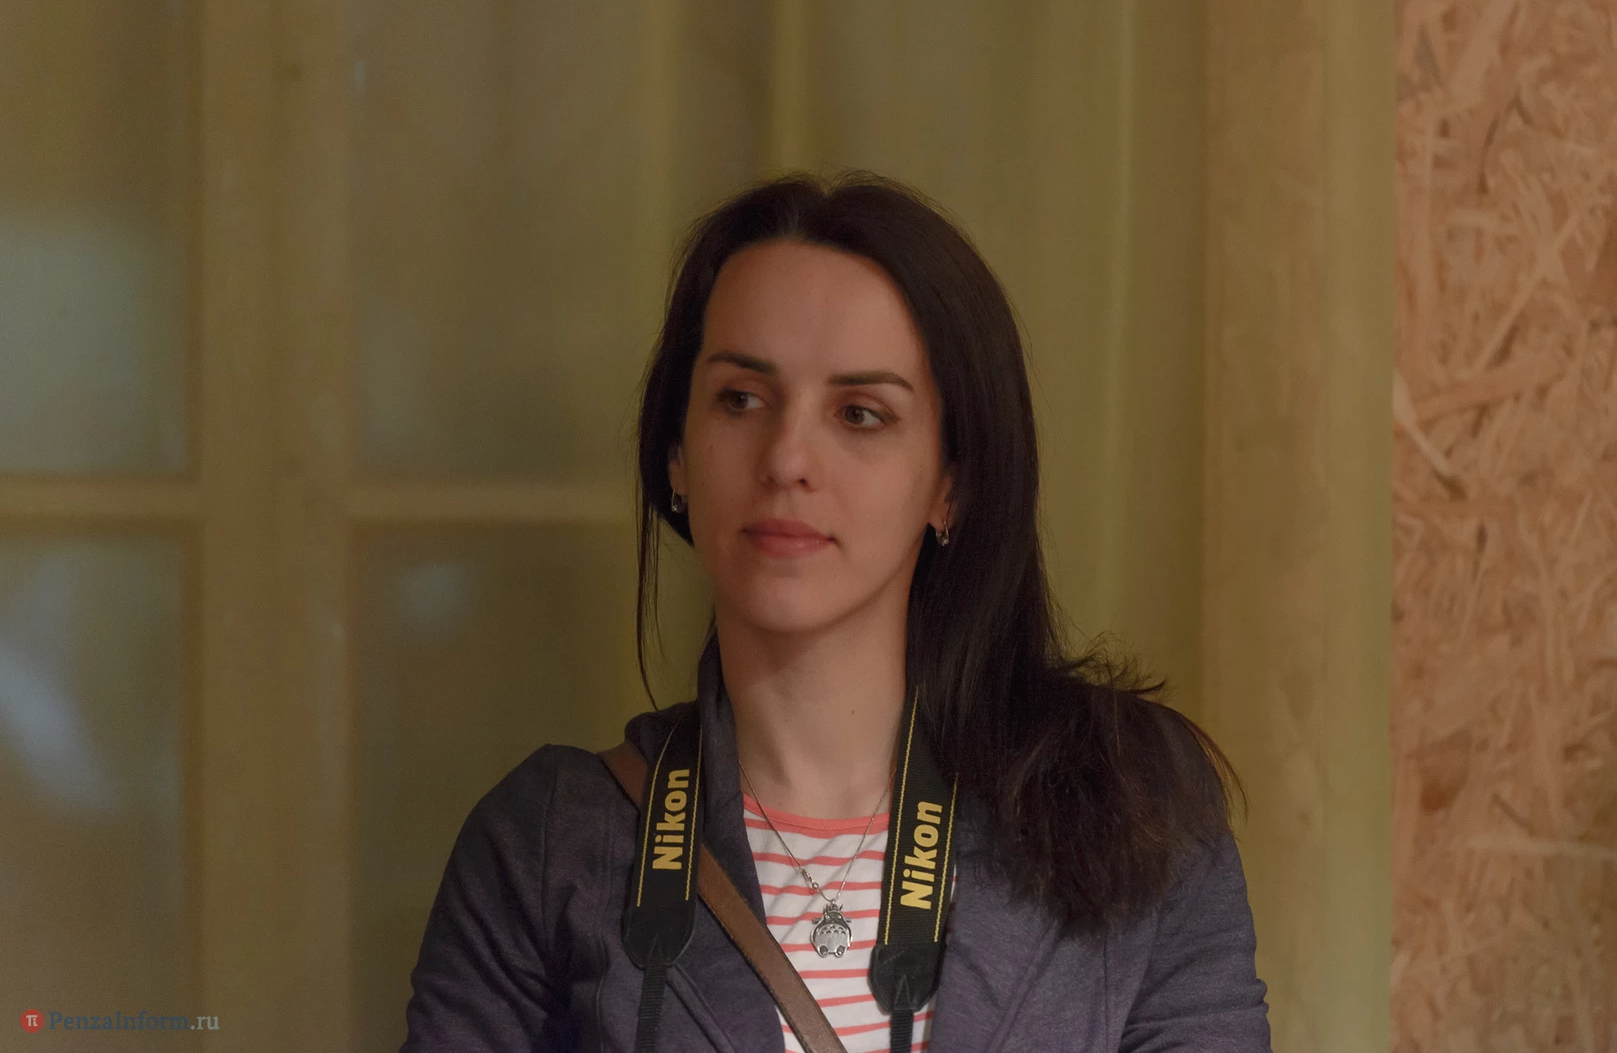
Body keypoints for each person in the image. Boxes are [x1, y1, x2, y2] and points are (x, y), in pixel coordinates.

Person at [400, 171, 1272, 1052]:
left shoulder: (1122, 799)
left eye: (859, 414)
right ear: (675, 453)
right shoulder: (549, 843)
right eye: (741, 399)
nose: (787, 458)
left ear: (951, 484)